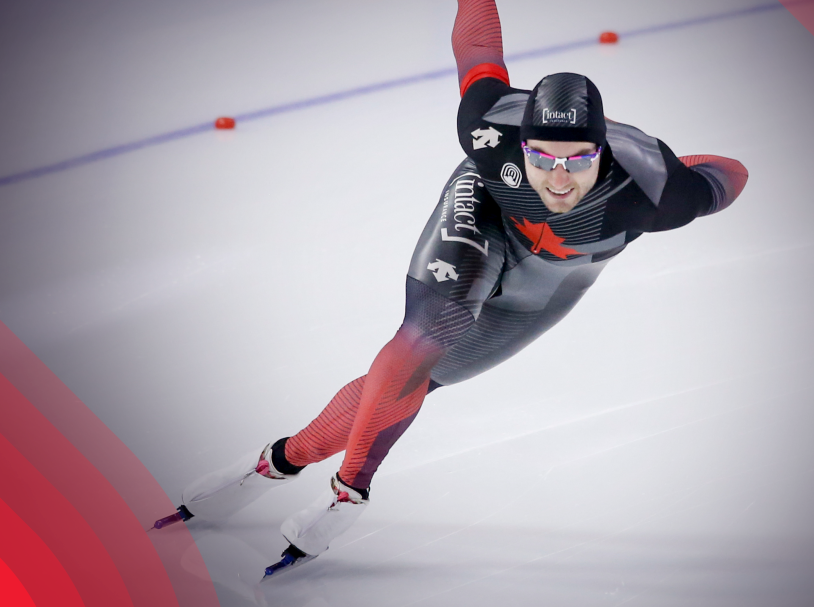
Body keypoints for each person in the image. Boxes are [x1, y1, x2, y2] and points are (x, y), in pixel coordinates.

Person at [153, 0, 748, 577]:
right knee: (427, 334)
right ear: (520, 144)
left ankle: (275, 463)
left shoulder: (658, 191)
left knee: (423, 382)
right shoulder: (488, 122)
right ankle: (347, 496)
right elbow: (479, 46)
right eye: (541, 157)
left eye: (578, 160)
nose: (558, 178)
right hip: (484, 213)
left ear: (604, 153)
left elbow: (729, 175)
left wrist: (665, 162)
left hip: (556, 273)